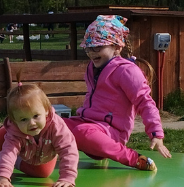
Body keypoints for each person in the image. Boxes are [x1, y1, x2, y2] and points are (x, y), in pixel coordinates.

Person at [65, 14, 171, 171]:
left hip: (111, 132)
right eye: (88, 48)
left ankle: (135, 159)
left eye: (98, 47)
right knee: (52, 123)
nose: (92, 52)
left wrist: (156, 134)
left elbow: (145, 102)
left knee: (82, 132)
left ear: (117, 47)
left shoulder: (126, 71)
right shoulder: (92, 68)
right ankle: (35, 159)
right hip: (87, 122)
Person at [0, 82, 78, 187]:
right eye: (24, 119)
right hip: (22, 148)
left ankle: (2, 159)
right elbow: (8, 152)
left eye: (36, 116)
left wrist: (67, 177)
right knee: (2, 134)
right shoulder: (14, 130)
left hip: (42, 154)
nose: (32, 123)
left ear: (46, 111)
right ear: (14, 121)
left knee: (43, 173)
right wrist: (3, 178)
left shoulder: (57, 126)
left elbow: (68, 149)